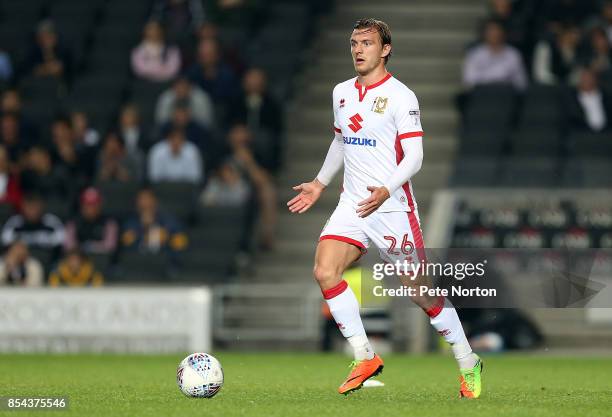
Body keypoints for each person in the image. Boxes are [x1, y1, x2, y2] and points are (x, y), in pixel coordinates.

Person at [287, 19, 482, 397]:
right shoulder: (341, 92)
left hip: (392, 207)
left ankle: (467, 358)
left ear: (385, 49)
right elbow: (342, 141)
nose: (358, 50)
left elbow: (415, 156)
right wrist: (319, 182)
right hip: (353, 203)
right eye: (353, 43)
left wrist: (386, 189)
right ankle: (364, 355)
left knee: (420, 293)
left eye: (367, 43)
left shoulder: (401, 96)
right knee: (325, 270)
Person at [462, 19, 527, 91]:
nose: (494, 35)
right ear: (484, 34)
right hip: (482, 94)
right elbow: (469, 80)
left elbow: (520, 82)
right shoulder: (475, 54)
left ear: (503, 33)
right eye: (491, 31)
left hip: (506, 94)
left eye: (497, 31)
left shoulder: (513, 54)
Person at [1, 193, 64, 259]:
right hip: (21, 264)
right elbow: (6, 244)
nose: (32, 211)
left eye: (34, 207)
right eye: (29, 207)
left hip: (48, 263)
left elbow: (59, 248)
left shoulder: (52, 223)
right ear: (23, 207)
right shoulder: (14, 223)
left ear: (41, 206)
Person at [64, 187, 119, 256]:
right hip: (79, 262)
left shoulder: (109, 222)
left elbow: (110, 247)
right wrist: (86, 248)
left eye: (94, 204)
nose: (90, 209)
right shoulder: (73, 222)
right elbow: (68, 247)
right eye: (87, 204)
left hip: (102, 262)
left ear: (100, 205)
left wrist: (90, 247)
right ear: (82, 206)